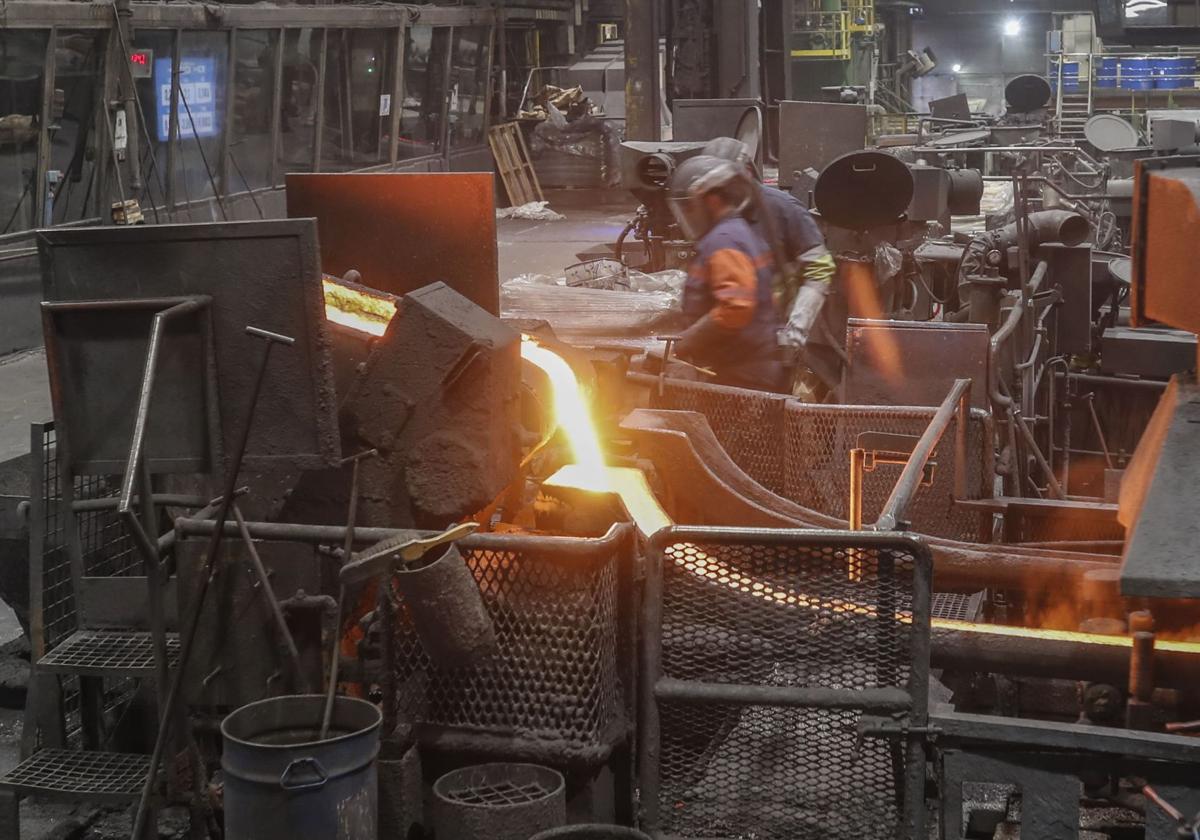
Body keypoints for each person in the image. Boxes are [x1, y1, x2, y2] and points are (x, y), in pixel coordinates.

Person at [701, 137, 837, 358]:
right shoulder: (712, 209)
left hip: (774, 334)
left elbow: (820, 268)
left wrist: (796, 327)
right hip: (729, 329)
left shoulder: (784, 209)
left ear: (746, 172)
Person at [665, 155, 786, 392]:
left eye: (690, 206)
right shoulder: (738, 232)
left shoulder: (724, 240)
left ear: (712, 201)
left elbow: (736, 307)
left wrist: (683, 343)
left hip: (743, 373)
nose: (687, 216)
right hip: (752, 365)